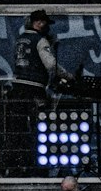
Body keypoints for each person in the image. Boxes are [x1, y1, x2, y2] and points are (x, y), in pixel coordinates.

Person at [5, 9, 73, 175]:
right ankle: (37, 165)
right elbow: (51, 65)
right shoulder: (40, 40)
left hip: (18, 86)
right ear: (39, 23)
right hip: (34, 88)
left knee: (19, 127)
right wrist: (67, 76)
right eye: (43, 23)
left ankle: (18, 164)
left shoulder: (20, 40)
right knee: (39, 127)